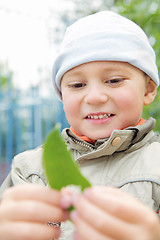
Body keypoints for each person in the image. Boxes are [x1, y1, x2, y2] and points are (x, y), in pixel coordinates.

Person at [0, 10, 160, 240]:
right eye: (77, 85)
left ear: (148, 89)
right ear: (62, 97)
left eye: (113, 80)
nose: (94, 97)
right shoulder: (28, 171)